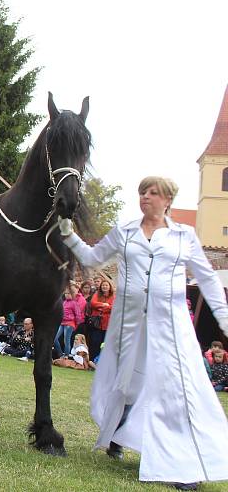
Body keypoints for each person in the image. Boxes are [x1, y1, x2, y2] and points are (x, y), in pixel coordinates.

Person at [61, 176, 228, 488]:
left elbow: (207, 279)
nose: (146, 197)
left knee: (173, 389)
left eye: (153, 193)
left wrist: (225, 318)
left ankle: (179, 464)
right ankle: (117, 435)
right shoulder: (124, 232)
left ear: (168, 200)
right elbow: (93, 258)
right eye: (142, 192)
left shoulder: (184, 236)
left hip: (171, 326)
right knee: (125, 383)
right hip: (129, 325)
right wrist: (70, 237)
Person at [88, 279, 115, 362]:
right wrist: (104, 305)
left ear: (109, 286)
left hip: (108, 324)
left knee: (105, 344)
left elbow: (113, 307)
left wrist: (100, 307)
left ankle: (103, 362)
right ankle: (92, 361)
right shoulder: (97, 294)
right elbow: (93, 303)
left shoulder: (113, 296)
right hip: (97, 324)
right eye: (103, 285)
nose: (104, 287)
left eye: (106, 285)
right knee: (95, 342)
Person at [54, 287, 80, 357]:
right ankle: (60, 354)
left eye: (69, 293)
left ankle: (66, 356)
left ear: (73, 294)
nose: (67, 295)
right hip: (62, 323)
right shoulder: (64, 302)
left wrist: (76, 325)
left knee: (66, 340)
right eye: (66, 293)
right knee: (54, 338)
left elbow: (78, 315)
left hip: (69, 323)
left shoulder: (74, 303)